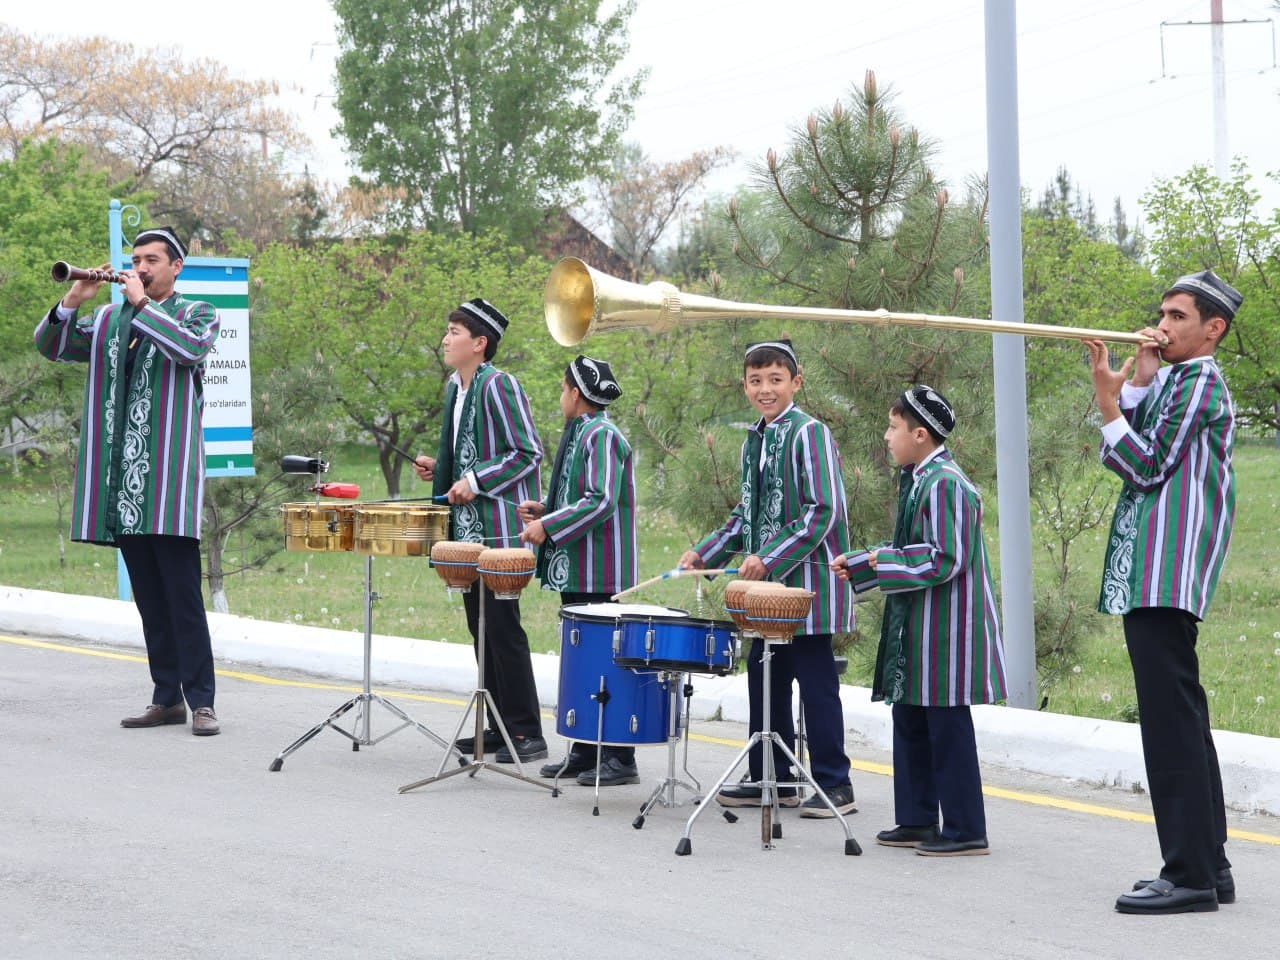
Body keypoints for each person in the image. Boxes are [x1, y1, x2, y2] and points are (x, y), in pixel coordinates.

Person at [1086, 270, 1241, 915]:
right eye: (1163, 314)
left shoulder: (1202, 379)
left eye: (1179, 317)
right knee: (1185, 717)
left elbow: (1144, 465)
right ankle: (1212, 864)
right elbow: (1147, 444)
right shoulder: (1180, 379)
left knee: (1169, 725)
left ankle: (1188, 877)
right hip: (1155, 572)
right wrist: (1141, 379)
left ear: (1213, 329)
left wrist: (1108, 402)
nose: (1165, 325)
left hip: (1166, 572)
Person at [34, 227, 221, 736]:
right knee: (149, 599)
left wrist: (143, 304)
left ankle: (202, 701)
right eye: (135, 259)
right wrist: (75, 297)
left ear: (175, 267)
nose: (140, 267)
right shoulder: (109, 321)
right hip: (125, 488)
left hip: (168, 484)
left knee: (182, 597)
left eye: (152, 260)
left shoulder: (197, 313)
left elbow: (190, 350)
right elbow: (51, 346)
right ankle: (167, 698)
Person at [678, 339, 856, 818]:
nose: (765, 389)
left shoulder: (809, 433)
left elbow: (824, 511)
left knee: (816, 683)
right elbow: (746, 515)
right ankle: (772, 777)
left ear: (796, 382)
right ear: (744, 386)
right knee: (764, 677)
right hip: (767, 593)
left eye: (776, 379)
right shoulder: (754, 439)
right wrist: (706, 553)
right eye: (756, 381)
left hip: (808, 588)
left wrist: (769, 559)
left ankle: (835, 783)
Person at [833, 385, 1006, 856]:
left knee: (947, 727)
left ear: (921, 434)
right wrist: (866, 562)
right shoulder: (918, 478)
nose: (887, 437)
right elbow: (913, 552)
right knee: (910, 717)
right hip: (919, 626)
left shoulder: (947, 483)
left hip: (949, 629)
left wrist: (876, 560)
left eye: (893, 428)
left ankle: (967, 829)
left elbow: (944, 558)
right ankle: (917, 820)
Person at [413, 299, 547, 763]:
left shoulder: (498, 385)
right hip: (467, 532)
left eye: (453, 331)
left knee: (504, 628)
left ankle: (527, 732)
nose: (445, 339)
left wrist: (474, 481)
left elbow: (527, 452)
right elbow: (468, 453)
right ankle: (498, 726)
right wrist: (444, 469)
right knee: (480, 626)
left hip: (501, 533)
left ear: (479, 343)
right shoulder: (457, 389)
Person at [517, 355, 641, 787]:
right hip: (581, 570)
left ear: (575, 393)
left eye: (562, 388)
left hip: (601, 570)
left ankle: (621, 759)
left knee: (606, 662)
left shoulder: (601, 434)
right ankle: (588, 752)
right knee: (586, 661)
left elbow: (600, 500)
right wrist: (547, 510)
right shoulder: (584, 433)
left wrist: (546, 526)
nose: (560, 396)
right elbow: (582, 497)